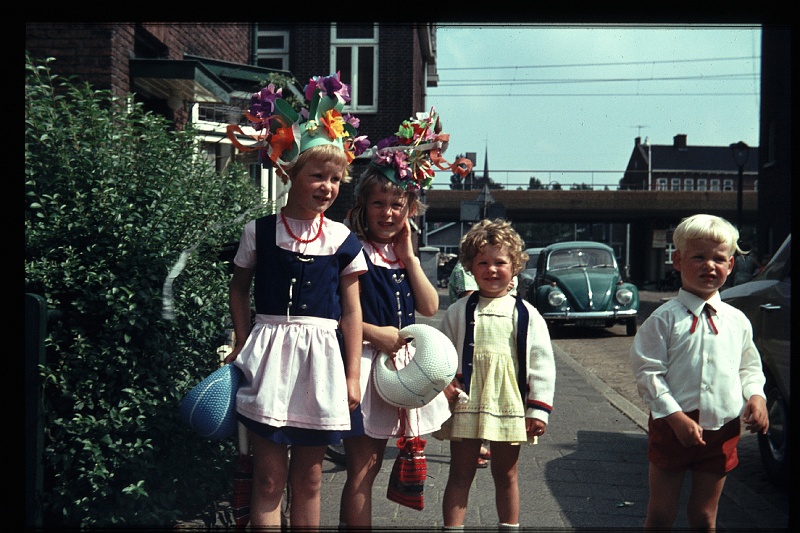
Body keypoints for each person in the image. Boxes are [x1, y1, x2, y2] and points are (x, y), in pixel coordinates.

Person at [224, 73, 369, 529]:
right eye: (317, 176)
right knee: (269, 479)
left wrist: (352, 375)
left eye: (335, 179)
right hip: (268, 356)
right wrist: (242, 341)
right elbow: (238, 288)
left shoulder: (342, 239)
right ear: (289, 174)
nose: (327, 186)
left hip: (321, 361)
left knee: (309, 479)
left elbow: (352, 311)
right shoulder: (259, 232)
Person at [338, 110, 453, 528]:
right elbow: (336, 315)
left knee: (372, 467)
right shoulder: (352, 249)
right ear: (363, 206)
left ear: (410, 210)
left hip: (397, 370)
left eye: (397, 206)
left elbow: (429, 306)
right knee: (362, 468)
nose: (387, 214)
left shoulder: (400, 255)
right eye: (379, 204)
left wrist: (410, 258)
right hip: (366, 362)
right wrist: (376, 335)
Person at [629, 214, 769, 530]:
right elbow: (648, 373)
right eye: (698, 257)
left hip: (723, 427)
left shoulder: (736, 320)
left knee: (705, 516)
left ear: (730, 265)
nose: (709, 266)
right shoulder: (663, 319)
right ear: (678, 261)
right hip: (672, 426)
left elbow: (749, 366)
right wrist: (676, 418)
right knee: (661, 513)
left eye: (718, 259)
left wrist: (756, 396)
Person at [438, 219, 556, 529]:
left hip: (509, 403)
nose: (491, 269)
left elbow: (542, 364)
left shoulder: (527, 314)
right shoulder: (458, 311)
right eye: (483, 263)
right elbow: (442, 355)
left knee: (506, 474)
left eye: (500, 262)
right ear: (470, 267)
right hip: (466, 402)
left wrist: (538, 410)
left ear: (514, 266)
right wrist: (446, 382)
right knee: (460, 473)